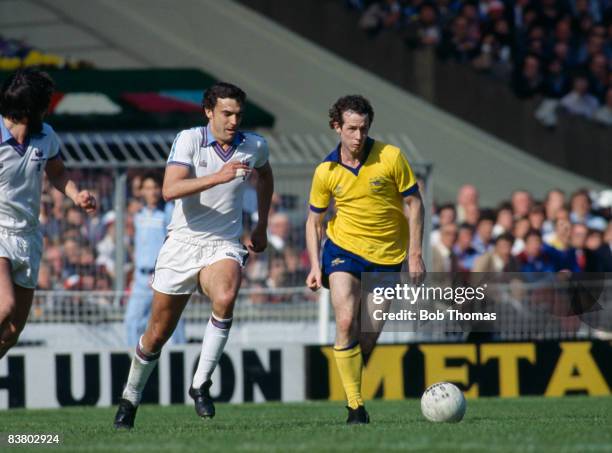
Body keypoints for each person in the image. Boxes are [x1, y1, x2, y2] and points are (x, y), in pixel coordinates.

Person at [113, 82, 274, 429]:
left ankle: (200, 384)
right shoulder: (190, 139)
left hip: (224, 244)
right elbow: (170, 189)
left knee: (227, 294)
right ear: (209, 112)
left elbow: (265, 175)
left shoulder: (254, 146)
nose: (233, 121)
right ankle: (130, 397)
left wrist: (261, 225)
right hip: (182, 244)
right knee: (156, 334)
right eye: (226, 114)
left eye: (238, 114)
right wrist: (218, 177)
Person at [305, 95, 425, 424]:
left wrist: (415, 254)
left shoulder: (391, 157)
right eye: (352, 129)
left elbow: (415, 205)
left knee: (368, 335)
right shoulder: (326, 170)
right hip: (343, 250)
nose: (359, 136)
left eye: (364, 129)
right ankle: (356, 407)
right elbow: (314, 221)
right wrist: (316, 266)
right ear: (337, 127)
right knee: (345, 321)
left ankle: (352, 389)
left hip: (387, 257)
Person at [0, 68, 96, 358]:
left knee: (13, 331)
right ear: (34, 108)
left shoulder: (46, 136)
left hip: (28, 236)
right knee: (4, 307)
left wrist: (76, 194)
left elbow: (57, 174)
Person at [123, 173, 185, 346]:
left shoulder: (168, 212)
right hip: (142, 278)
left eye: (155, 188)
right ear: (141, 191)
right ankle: (134, 367)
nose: (152, 192)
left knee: (172, 322)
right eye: (148, 188)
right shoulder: (138, 215)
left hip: (162, 276)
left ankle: (179, 361)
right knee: (132, 321)